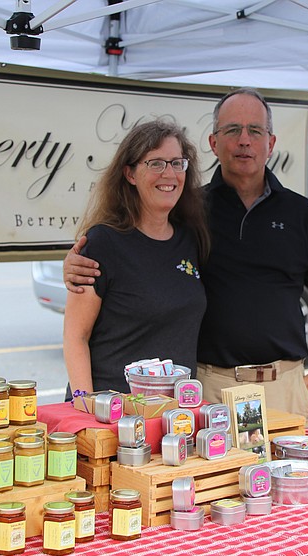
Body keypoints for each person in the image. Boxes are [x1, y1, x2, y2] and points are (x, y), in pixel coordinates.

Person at [64, 88, 308, 424]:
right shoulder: (191, 212)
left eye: (255, 131)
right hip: (208, 391)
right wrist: (74, 262)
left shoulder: (302, 214)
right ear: (214, 143)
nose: (244, 140)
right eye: (232, 130)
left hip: (283, 386)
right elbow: (135, 241)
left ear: (271, 144)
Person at [63, 119, 209, 396]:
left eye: (177, 163)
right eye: (156, 163)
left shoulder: (191, 239)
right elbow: (75, 337)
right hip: (112, 412)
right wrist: (86, 407)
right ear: (129, 174)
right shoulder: (102, 242)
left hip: (170, 416)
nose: (169, 173)